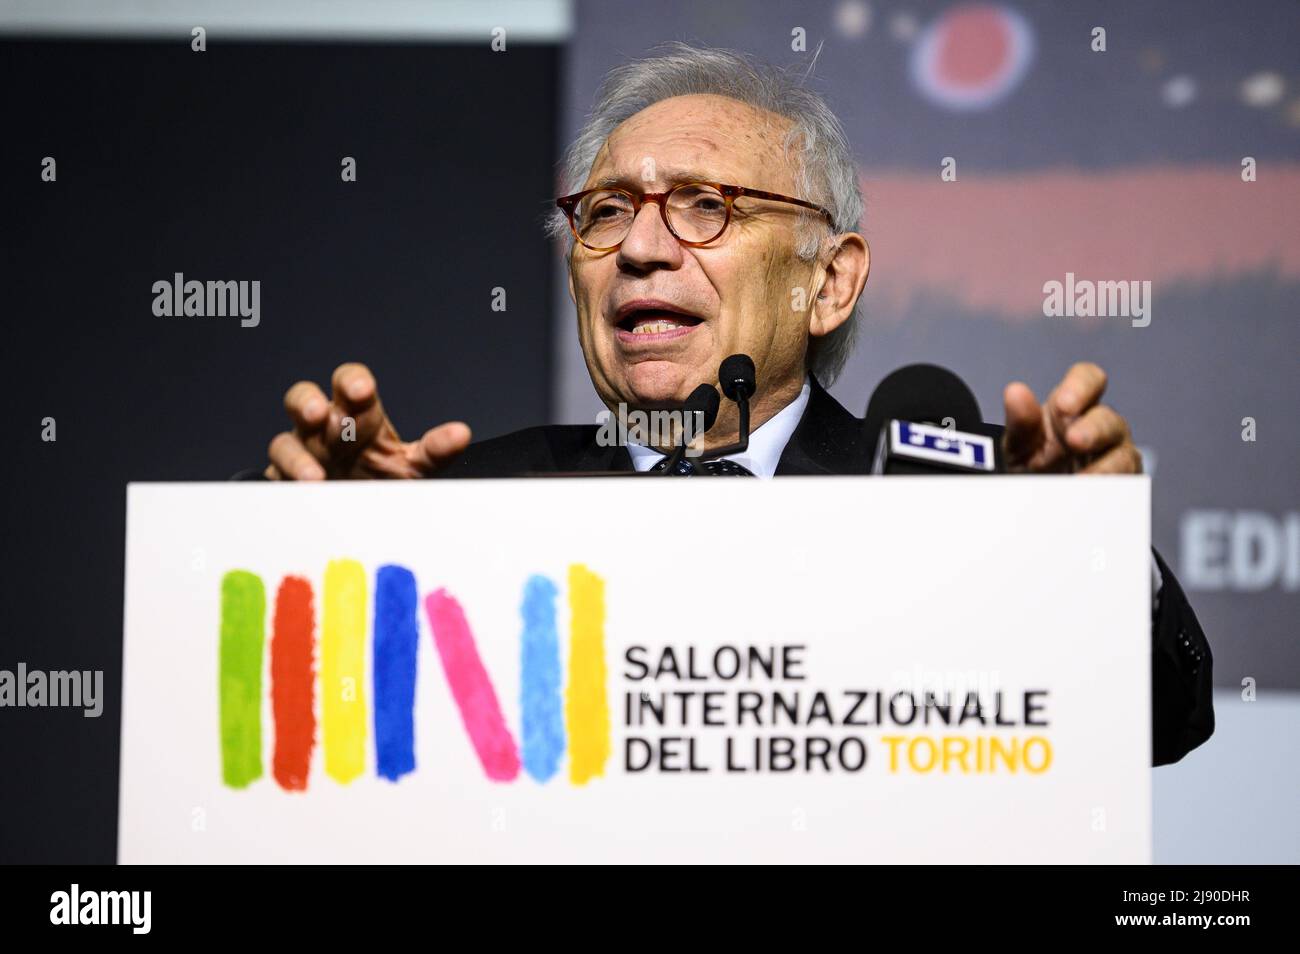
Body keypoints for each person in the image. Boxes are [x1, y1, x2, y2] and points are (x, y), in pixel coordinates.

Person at [254, 44, 1213, 764]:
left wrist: (1089, 553)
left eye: (707, 205)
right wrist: (319, 555)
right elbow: (287, 749)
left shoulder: (975, 501)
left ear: (829, 283)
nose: (640, 248)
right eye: (606, 212)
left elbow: (1165, 725)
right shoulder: (455, 500)